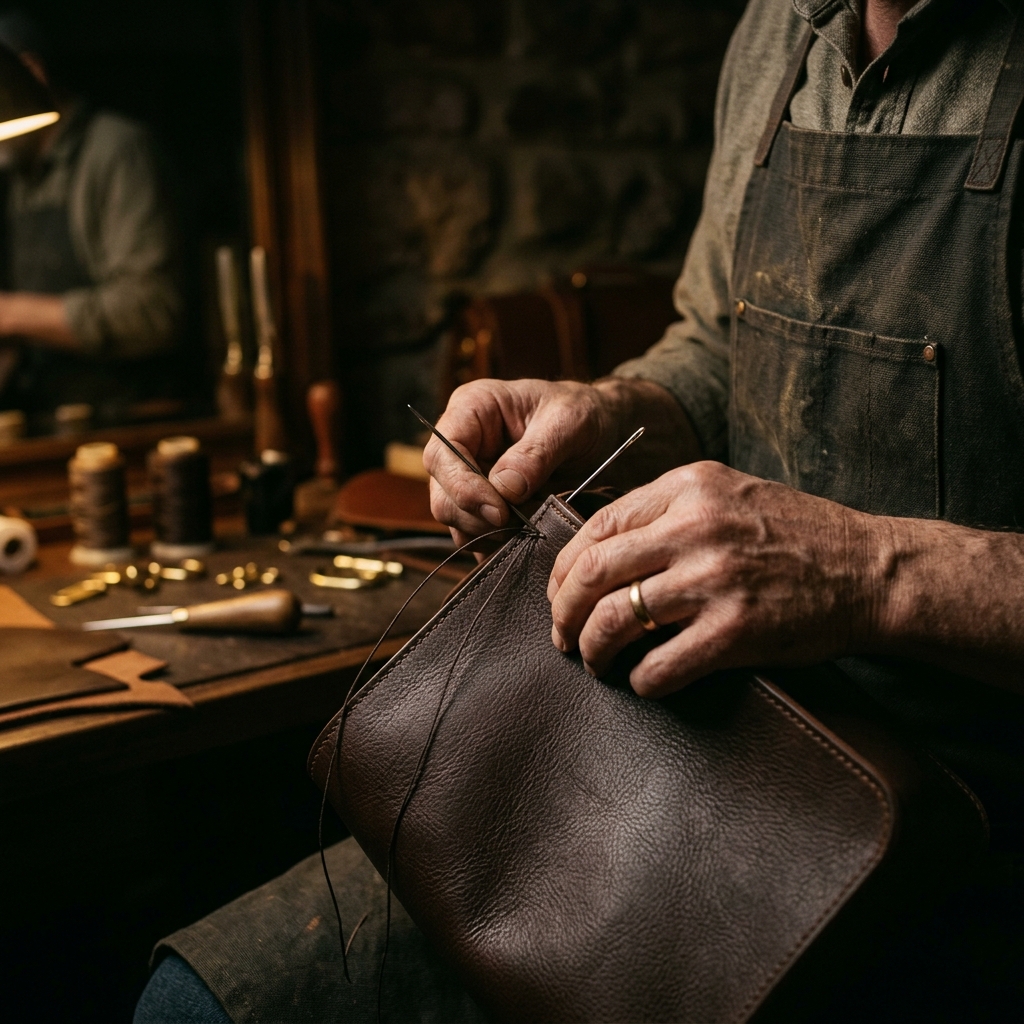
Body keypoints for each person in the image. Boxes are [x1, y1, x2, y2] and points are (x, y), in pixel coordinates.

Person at [135, 0, 1024, 1020]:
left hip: (965, 839)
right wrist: (607, 410)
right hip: (711, 737)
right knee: (190, 1005)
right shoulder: (780, 28)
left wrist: (866, 571)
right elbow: (716, 347)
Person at [0, 11, 181, 425]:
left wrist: (10, 314)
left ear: (30, 73)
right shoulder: (19, 172)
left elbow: (153, 312)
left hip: (131, 416)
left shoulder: (116, 151)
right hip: (51, 417)